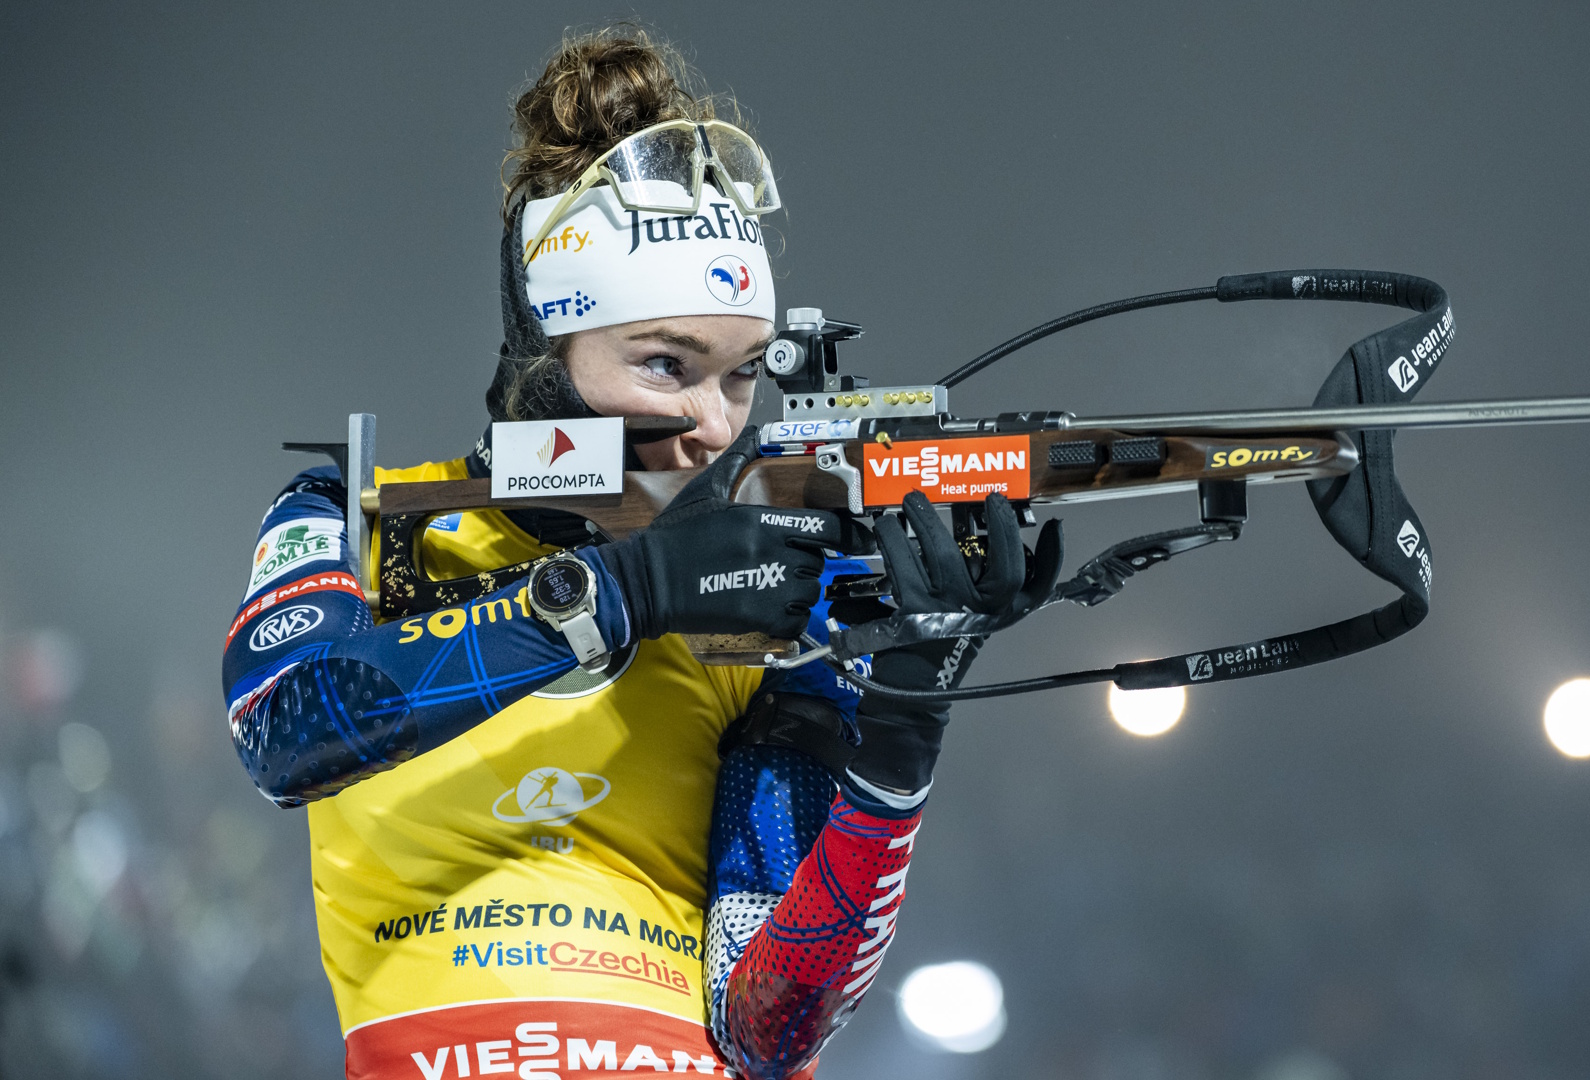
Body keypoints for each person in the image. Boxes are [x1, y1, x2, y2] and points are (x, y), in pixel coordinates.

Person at [219, 27, 1062, 1080]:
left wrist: (900, 730)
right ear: (545, 342)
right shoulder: (358, 521)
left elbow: (767, 1024)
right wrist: (626, 592)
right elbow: (287, 725)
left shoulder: (766, 608)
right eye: (666, 365)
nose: (714, 424)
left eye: (744, 374)